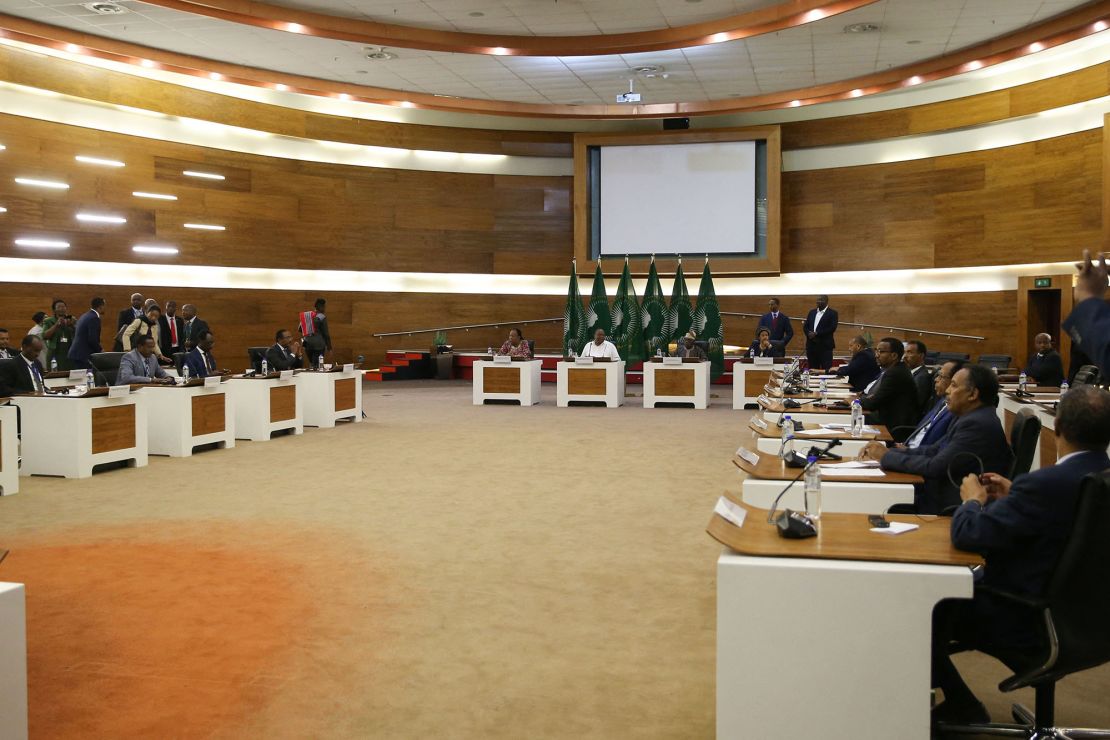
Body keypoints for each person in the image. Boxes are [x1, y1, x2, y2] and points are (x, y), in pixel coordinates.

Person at [930, 385, 1110, 725]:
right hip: (1089, 620)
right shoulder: (1098, 477)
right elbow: (1075, 522)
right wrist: (1016, 497)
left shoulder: (1046, 483)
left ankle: (961, 705)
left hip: (1026, 617)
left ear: (1057, 427)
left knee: (921, 606)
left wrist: (972, 500)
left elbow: (970, 534)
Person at [859, 364, 1013, 513]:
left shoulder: (977, 424)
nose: (947, 390)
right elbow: (934, 449)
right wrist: (890, 452)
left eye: (953, 385)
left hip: (949, 505)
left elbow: (936, 466)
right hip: (939, 494)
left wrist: (885, 456)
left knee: (870, 500)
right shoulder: (969, 417)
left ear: (972, 394)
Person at [857, 337, 919, 442]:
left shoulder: (895, 373)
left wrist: (856, 401)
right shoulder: (896, 369)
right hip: (886, 421)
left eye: (881, 352)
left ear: (894, 355)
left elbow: (873, 403)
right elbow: (875, 398)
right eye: (876, 351)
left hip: (891, 428)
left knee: (854, 418)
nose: (876, 355)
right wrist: (869, 399)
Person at [901, 360, 961, 450]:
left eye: (941, 376)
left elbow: (937, 450)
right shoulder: (942, 401)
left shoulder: (956, 410)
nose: (936, 379)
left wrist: (906, 451)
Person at [802, 294, 838, 371]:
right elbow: (805, 326)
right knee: (812, 370)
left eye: (821, 300)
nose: (819, 301)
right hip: (811, 346)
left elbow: (832, 328)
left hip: (825, 347)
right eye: (818, 300)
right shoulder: (812, 312)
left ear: (826, 301)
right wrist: (809, 334)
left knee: (826, 370)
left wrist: (817, 333)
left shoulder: (832, 313)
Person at [68, 297, 105, 370]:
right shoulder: (94, 318)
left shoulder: (85, 315)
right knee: (87, 379)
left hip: (77, 353)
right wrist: (100, 350)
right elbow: (92, 339)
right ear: (101, 306)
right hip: (84, 355)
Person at [42, 299, 75, 371]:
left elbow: (79, 335)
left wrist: (72, 325)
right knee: (55, 376)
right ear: (54, 310)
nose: (62, 309)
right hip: (54, 353)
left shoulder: (72, 319)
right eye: (59, 307)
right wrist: (56, 325)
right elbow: (44, 336)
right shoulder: (48, 321)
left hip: (69, 352)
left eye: (63, 307)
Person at [299, 298, 332, 367]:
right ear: (321, 307)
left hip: (307, 344)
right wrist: (329, 348)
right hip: (319, 345)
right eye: (324, 307)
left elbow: (300, 329)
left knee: (311, 363)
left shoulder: (307, 315)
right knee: (317, 365)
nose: (325, 309)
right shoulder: (322, 317)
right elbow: (326, 334)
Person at [903, 339, 933, 414]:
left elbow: (912, 406)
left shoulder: (922, 377)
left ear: (921, 355)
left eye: (909, 352)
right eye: (905, 352)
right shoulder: (912, 373)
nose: (905, 356)